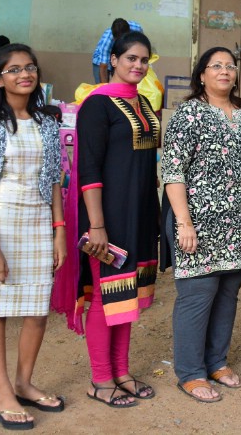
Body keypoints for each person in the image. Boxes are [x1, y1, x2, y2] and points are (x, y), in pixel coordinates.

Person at [0, 44, 66, 429]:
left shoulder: (48, 122)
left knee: (37, 308)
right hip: (2, 222)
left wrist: (59, 232)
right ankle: (2, 392)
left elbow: (55, 181)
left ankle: (25, 382)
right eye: (13, 69)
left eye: (29, 68)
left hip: (39, 221)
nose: (24, 74)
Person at [162, 47, 241, 403]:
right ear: (201, 74)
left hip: (239, 223)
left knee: (226, 296)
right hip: (198, 223)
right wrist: (184, 222)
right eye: (216, 66)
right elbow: (173, 172)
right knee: (197, 296)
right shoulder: (188, 113)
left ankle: (216, 362)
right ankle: (190, 372)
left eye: (230, 66)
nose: (224, 71)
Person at [72, 31, 161, 407]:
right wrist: (97, 226)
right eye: (130, 59)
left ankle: (121, 372)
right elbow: (88, 169)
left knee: (128, 298)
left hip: (139, 213)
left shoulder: (141, 101)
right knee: (107, 298)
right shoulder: (96, 105)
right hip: (106, 218)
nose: (137, 66)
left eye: (144, 60)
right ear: (113, 59)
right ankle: (100, 379)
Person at [91, 17, 143, 84]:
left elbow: (141, 45)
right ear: (114, 36)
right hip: (100, 61)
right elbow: (103, 67)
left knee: (121, 82)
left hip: (120, 55)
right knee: (101, 86)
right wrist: (104, 90)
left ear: (128, 32)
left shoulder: (136, 28)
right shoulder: (107, 41)